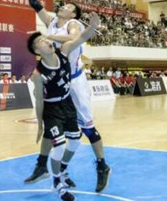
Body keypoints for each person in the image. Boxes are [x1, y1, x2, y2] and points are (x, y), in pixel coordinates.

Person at [22, 0, 111, 193]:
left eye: (68, 6)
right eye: (64, 5)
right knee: (51, 123)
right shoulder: (52, 22)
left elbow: (74, 38)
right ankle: (43, 165)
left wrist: (49, 38)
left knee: (87, 127)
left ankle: (102, 165)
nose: (63, 6)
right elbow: (35, 4)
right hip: (56, 80)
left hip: (75, 80)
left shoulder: (73, 23)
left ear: (73, 13)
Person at [27, 12, 101, 201]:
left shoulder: (64, 50)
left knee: (75, 142)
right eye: (41, 41)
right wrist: (40, 124)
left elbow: (82, 37)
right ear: (37, 51)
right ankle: (57, 184)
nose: (47, 41)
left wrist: (93, 26)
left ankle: (61, 170)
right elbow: (39, 100)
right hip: (52, 109)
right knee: (59, 146)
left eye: (45, 38)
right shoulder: (38, 75)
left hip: (67, 104)